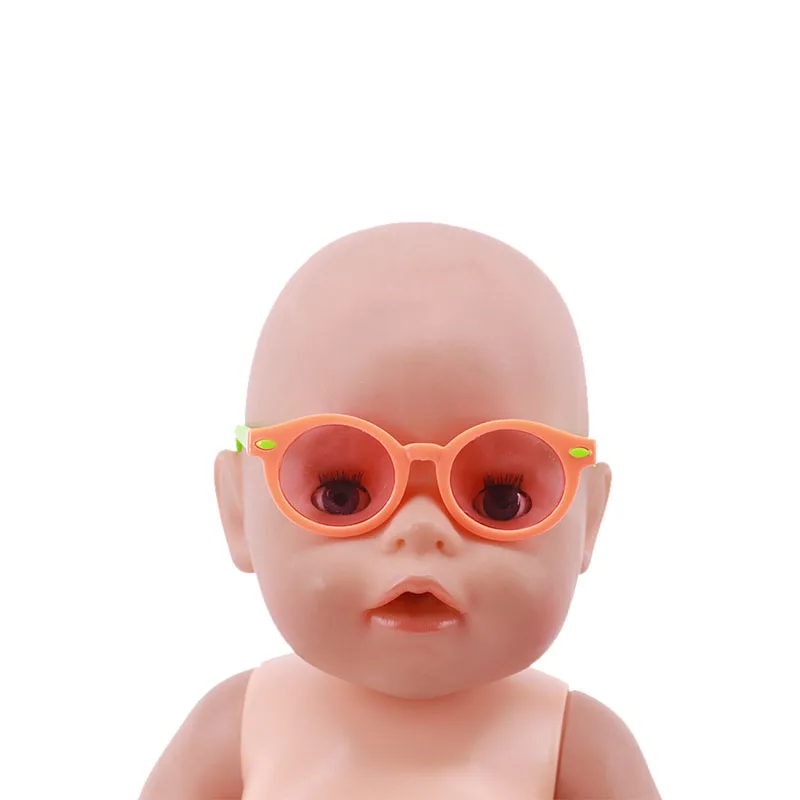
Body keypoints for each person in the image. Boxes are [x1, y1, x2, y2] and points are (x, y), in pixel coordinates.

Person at [140, 222, 660, 799]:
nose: (420, 530)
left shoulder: (574, 746)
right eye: (340, 494)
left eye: (500, 501)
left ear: (588, 520)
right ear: (239, 509)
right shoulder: (239, 729)